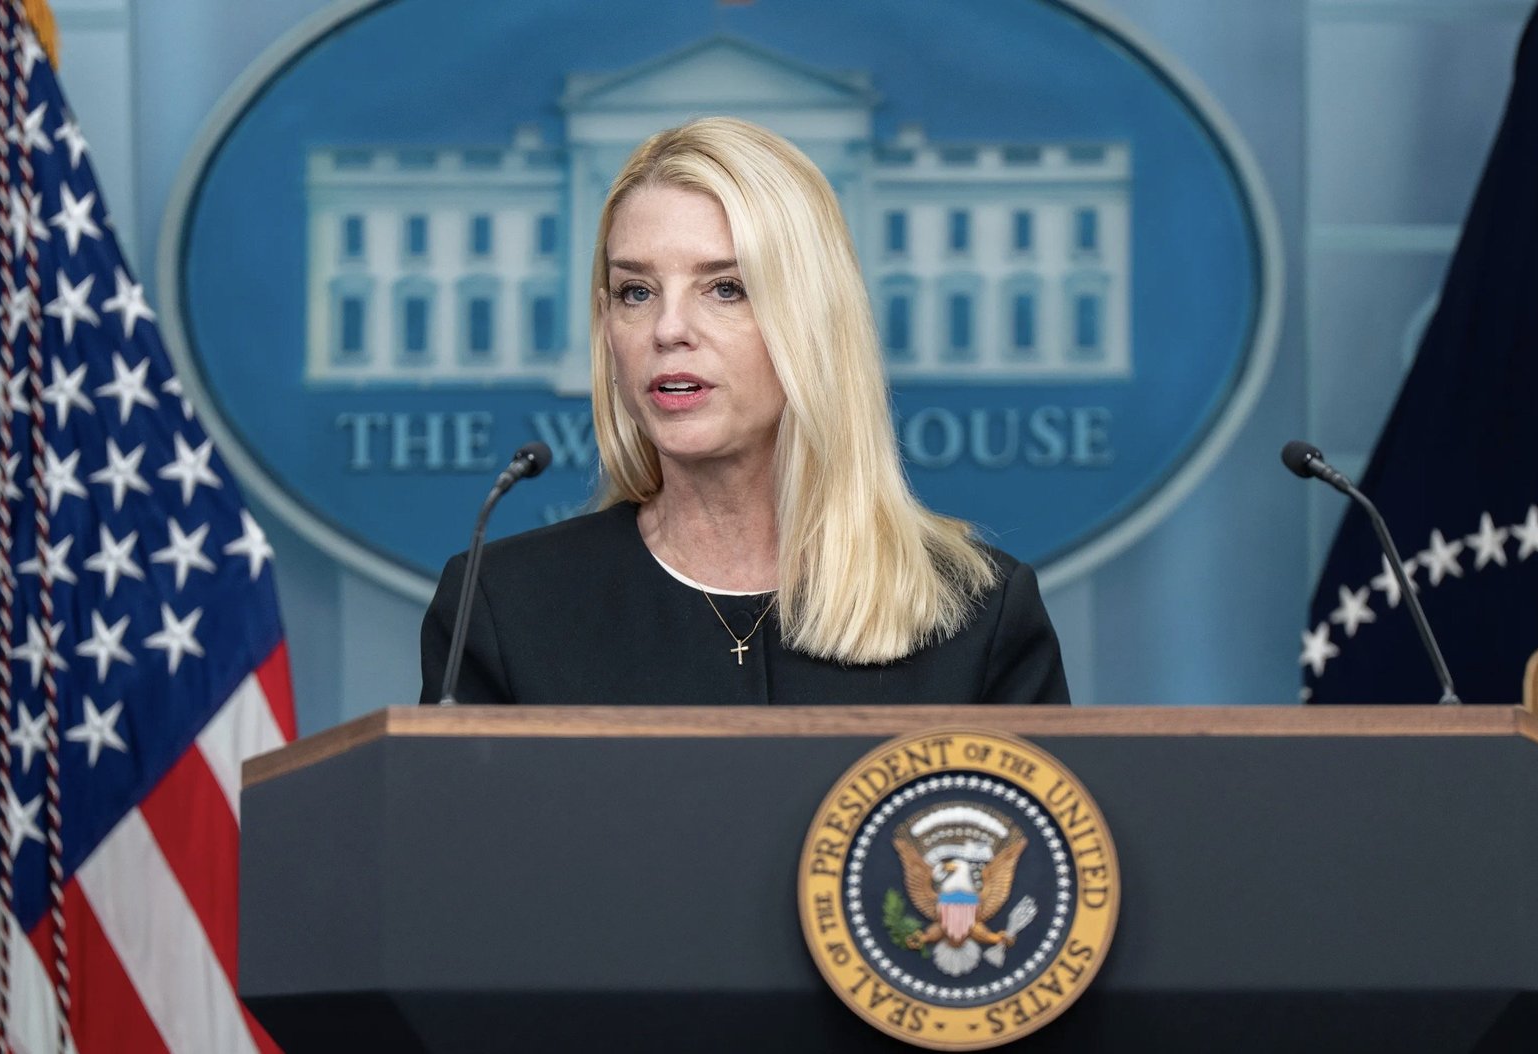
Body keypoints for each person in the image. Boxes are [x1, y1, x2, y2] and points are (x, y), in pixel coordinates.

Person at [419, 117, 1069, 707]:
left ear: (813, 319)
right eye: (636, 291)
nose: (668, 329)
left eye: (726, 288)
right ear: (604, 321)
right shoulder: (505, 605)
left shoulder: (978, 613)